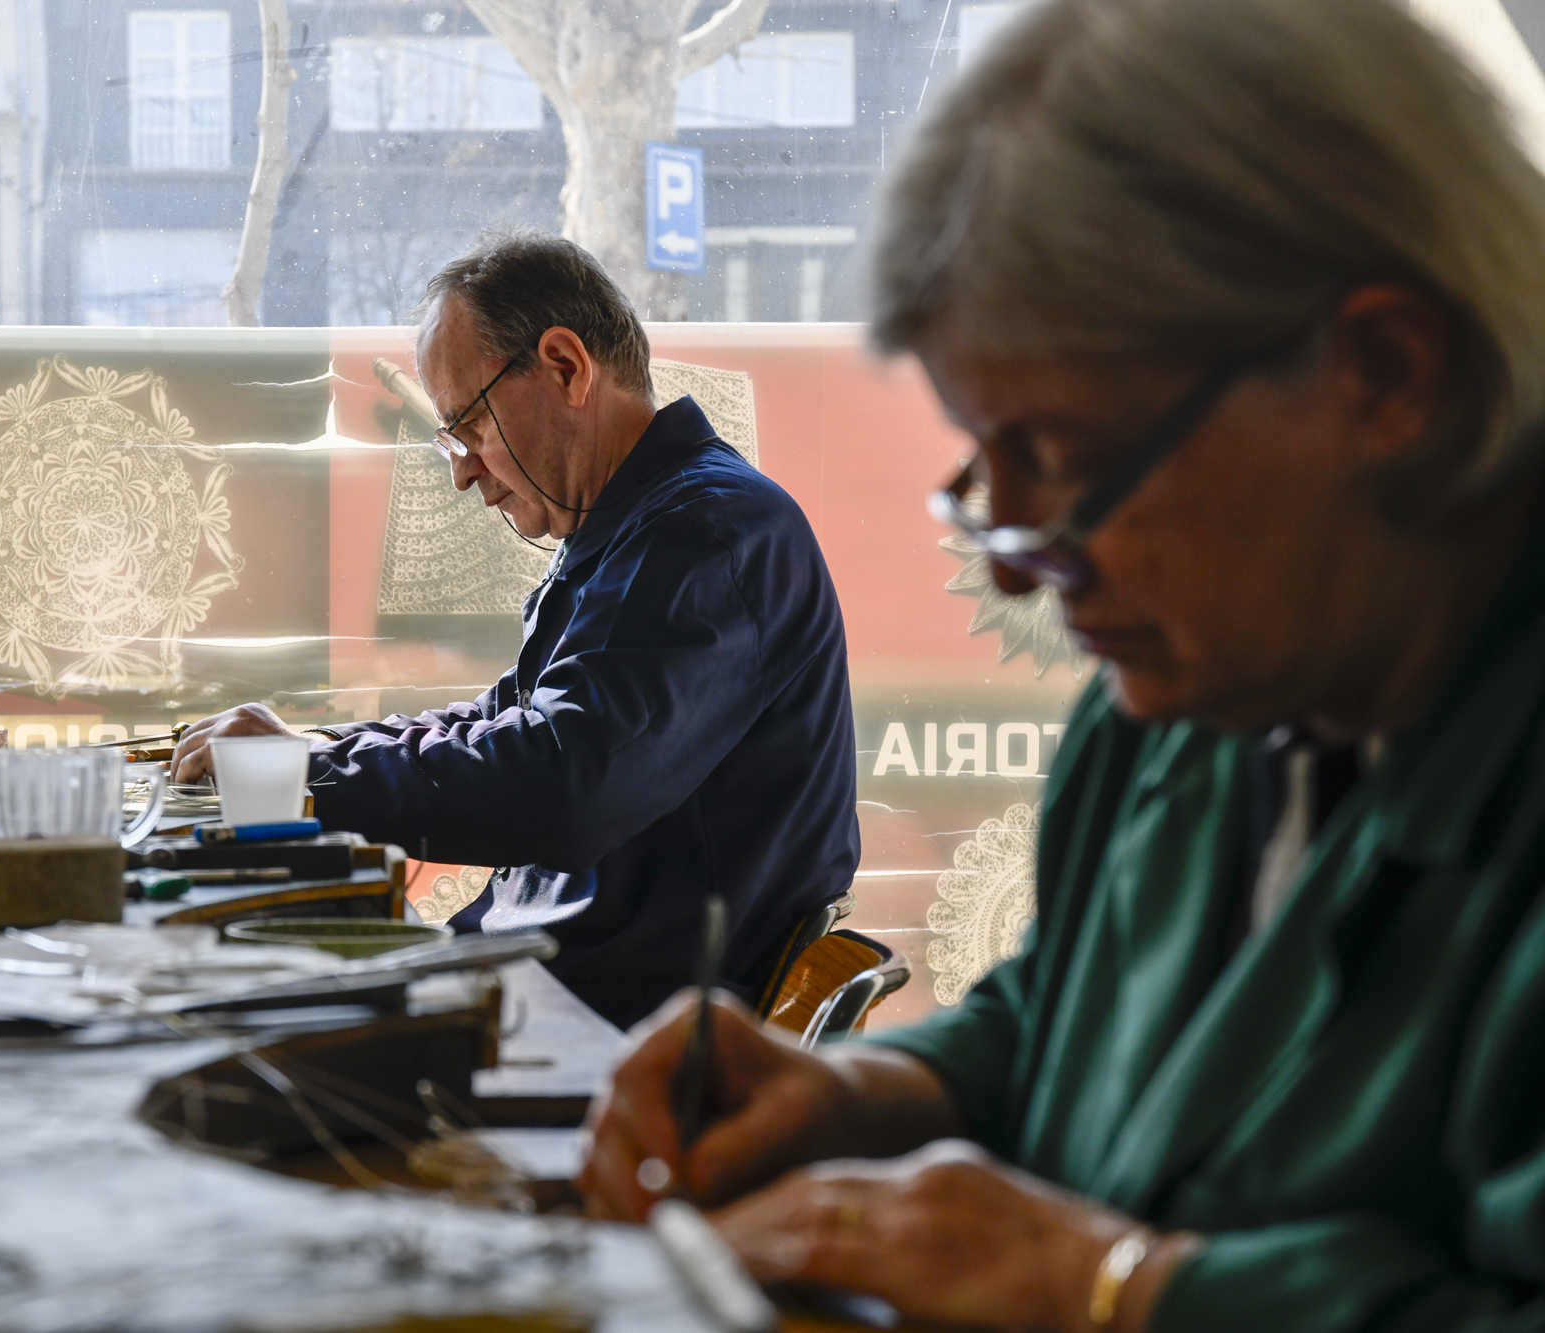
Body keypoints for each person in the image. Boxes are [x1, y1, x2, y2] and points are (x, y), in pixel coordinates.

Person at [578, 0, 1545, 1328]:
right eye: (986, 467)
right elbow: (1070, 1020)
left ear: (1384, 372)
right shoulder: (1188, 702)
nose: (1018, 572)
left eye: (1072, 459)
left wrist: (1112, 1289)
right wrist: (857, 1093)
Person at [172, 232, 860, 1028]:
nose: (462, 470)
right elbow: (505, 721)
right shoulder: (637, 529)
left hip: (621, 1027)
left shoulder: (709, 535)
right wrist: (319, 750)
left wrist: (308, 775)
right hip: (565, 986)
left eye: (468, 424)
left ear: (565, 367)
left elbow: (563, 781)